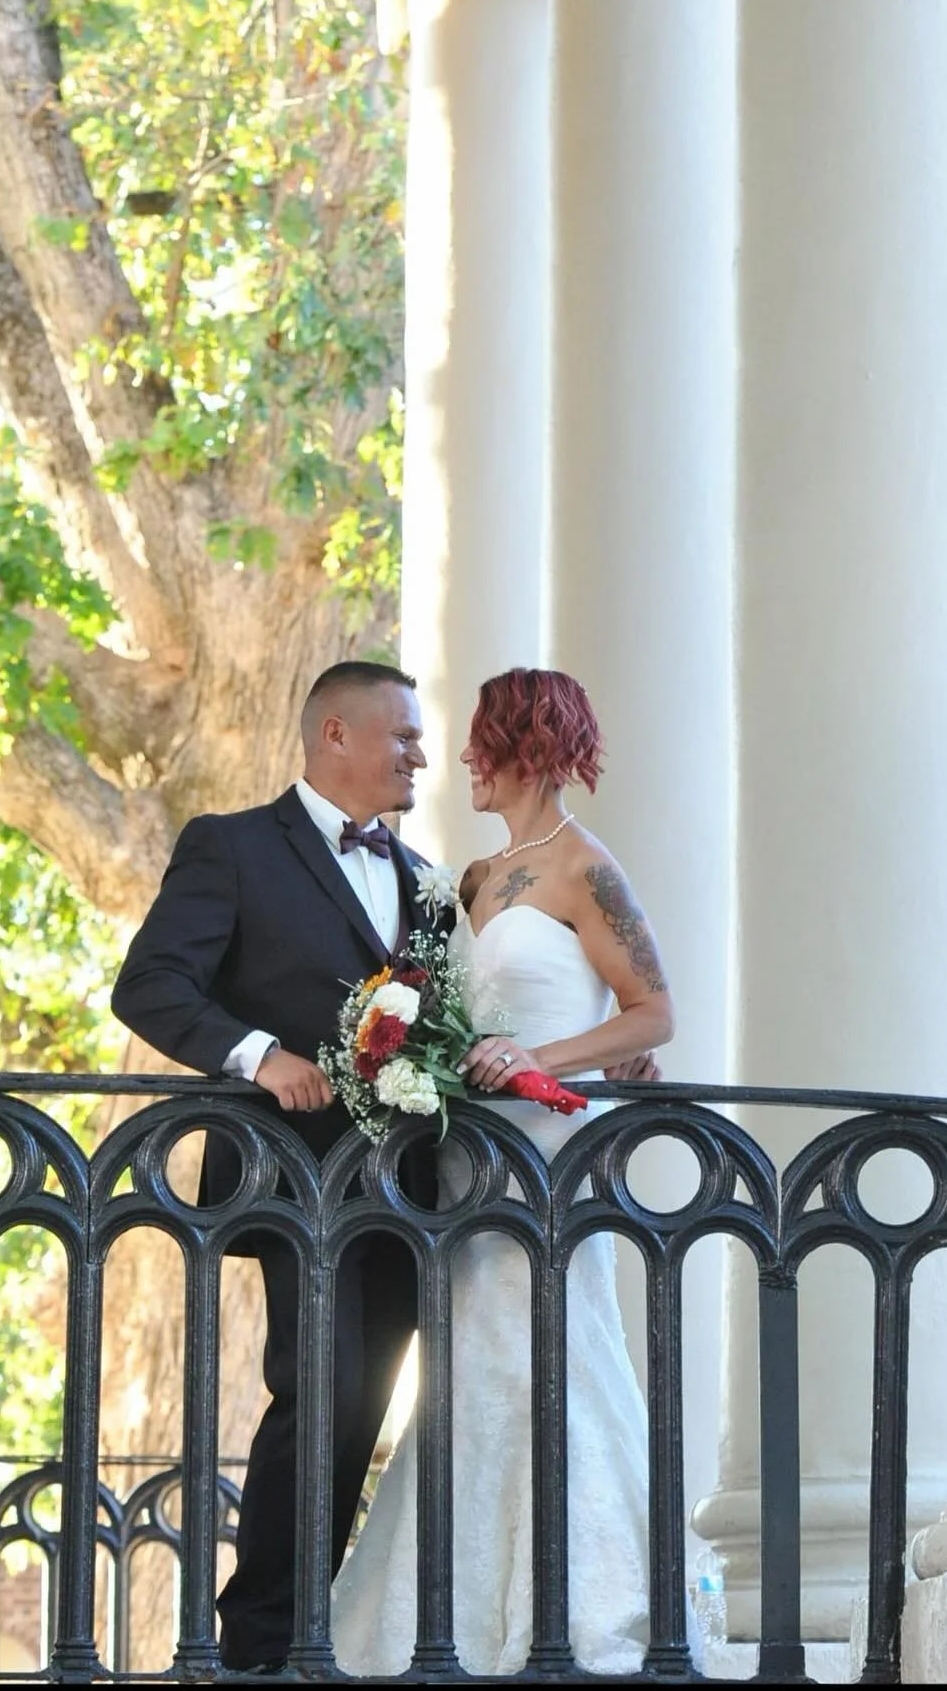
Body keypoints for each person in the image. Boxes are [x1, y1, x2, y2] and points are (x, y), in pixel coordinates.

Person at [329, 666, 686, 1677]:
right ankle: (449, 1611)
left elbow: (652, 1014)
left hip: (549, 1149)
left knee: (557, 1354)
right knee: (467, 1366)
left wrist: (544, 1063)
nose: (462, 763)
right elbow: (439, 1004)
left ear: (522, 743)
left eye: (478, 741)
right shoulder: (473, 881)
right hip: (463, 1157)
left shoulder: (585, 869)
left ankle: (588, 1607)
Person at [110, 660, 451, 1674]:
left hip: (403, 1186)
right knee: (321, 1387)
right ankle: (261, 1635)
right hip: (288, 1178)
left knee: (370, 1398)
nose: (419, 756)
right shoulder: (232, 847)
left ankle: (315, 1616)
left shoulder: (426, 879)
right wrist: (261, 1056)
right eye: (402, 737)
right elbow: (152, 986)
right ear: (333, 736)